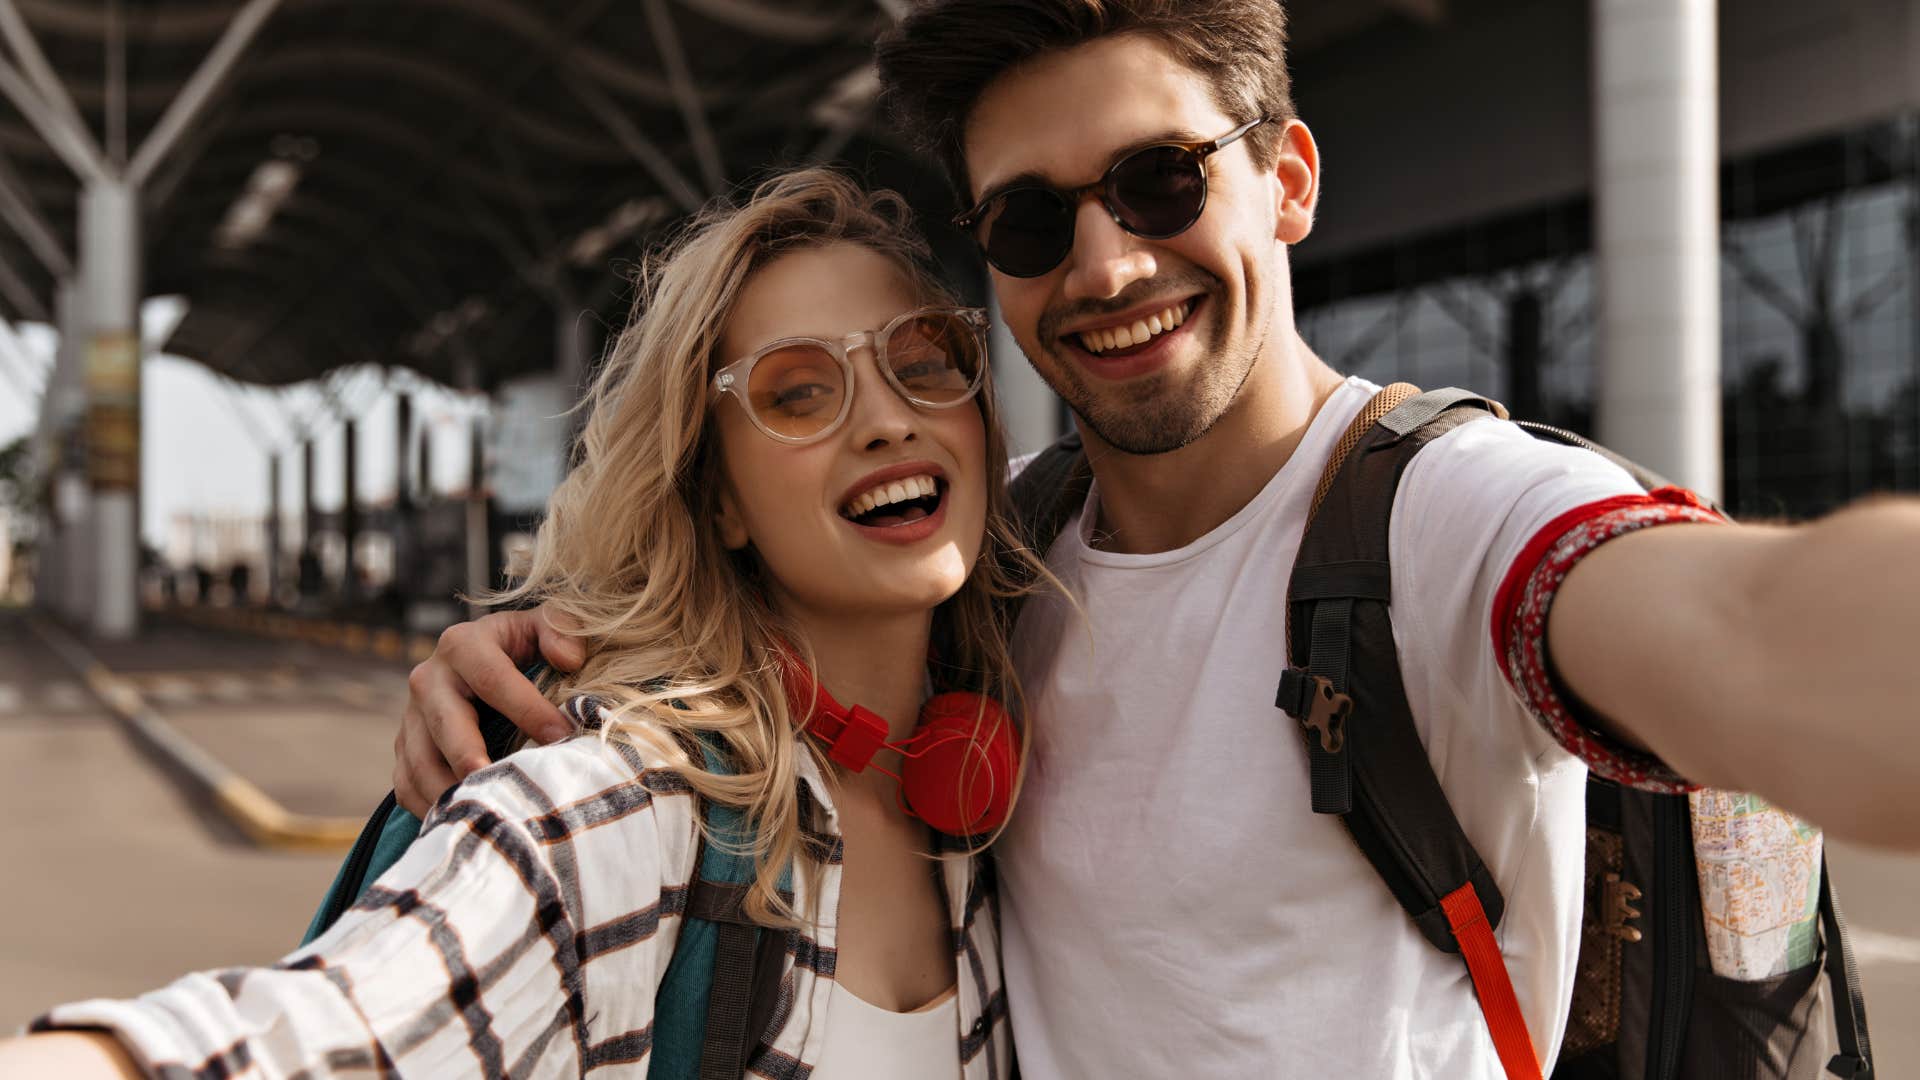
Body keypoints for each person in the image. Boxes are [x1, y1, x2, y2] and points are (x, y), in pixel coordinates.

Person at [395, 2, 1920, 1076]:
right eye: (1031, 223)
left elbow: (1754, 625)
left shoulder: (1443, 519)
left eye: (1159, 180)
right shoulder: (1004, 565)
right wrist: (539, 642)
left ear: (1289, 182)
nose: (1108, 263)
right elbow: (762, 636)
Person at [2, 169, 1045, 1078]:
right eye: (799, 392)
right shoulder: (627, 802)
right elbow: (327, 1034)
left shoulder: (1002, 778)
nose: (887, 416)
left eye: (923, 359)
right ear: (714, 495)